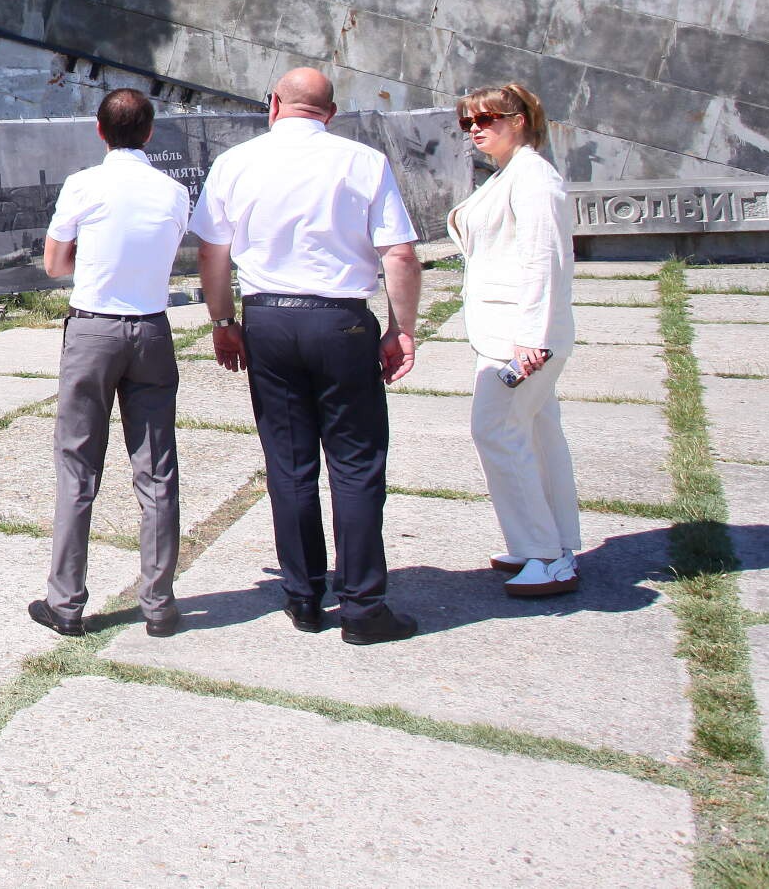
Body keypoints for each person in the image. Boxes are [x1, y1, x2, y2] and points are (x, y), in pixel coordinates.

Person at [194, 67, 423, 644]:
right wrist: (402, 328)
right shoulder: (361, 161)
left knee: (289, 462)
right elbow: (398, 254)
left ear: (273, 105)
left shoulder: (236, 162)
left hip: (269, 316)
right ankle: (364, 605)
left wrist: (223, 321)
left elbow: (213, 252)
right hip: (340, 320)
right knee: (356, 463)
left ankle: (302, 595)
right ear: (331, 112)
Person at [27, 88, 191, 638]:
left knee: (78, 469)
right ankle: (159, 602)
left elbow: (54, 264)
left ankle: (66, 602)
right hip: (150, 329)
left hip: (94, 327)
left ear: (100, 130)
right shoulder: (173, 191)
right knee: (156, 470)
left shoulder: (83, 184)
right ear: (149, 132)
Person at [447, 82, 581, 599]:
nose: (477, 130)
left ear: (520, 119)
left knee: (497, 431)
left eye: (487, 119)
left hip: (520, 338)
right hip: (511, 331)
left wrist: (532, 336)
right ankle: (550, 545)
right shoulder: (511, 175)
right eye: (468, 123)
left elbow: (544, 260)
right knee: (538, 437)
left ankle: (545, 555)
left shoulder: (533, 179)